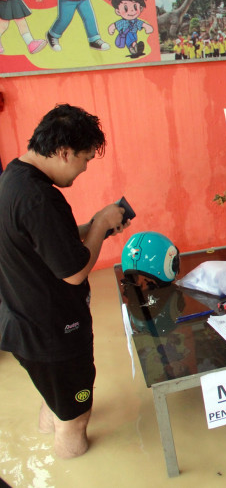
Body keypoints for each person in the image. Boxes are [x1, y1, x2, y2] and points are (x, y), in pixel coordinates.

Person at [0, 104, 130, 458]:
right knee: (75, 419)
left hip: (21, 326)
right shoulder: (40, 198)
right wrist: (102, 225)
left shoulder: (13, 178)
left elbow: (47, 241)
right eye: (85, 159)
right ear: (63, 151)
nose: (85, 168)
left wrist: (91, 226)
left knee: (55, 401)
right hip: (55, 334)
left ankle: (52, 431)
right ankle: (72, 463)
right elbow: (74, 273)